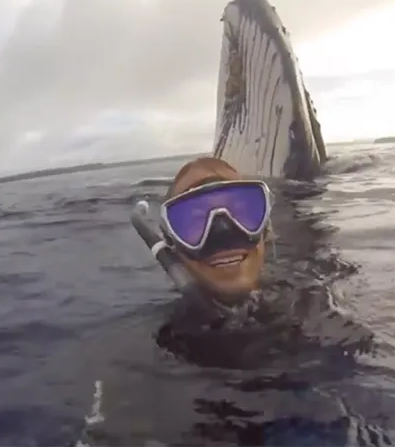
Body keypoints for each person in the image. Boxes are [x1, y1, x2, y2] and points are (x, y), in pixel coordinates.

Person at [154, 156, 375, 369]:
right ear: (172, 245)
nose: (222, 231)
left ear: (266, 230)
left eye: (242, 211)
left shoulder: (314, 302)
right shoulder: (170, 341)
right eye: (194, 219)